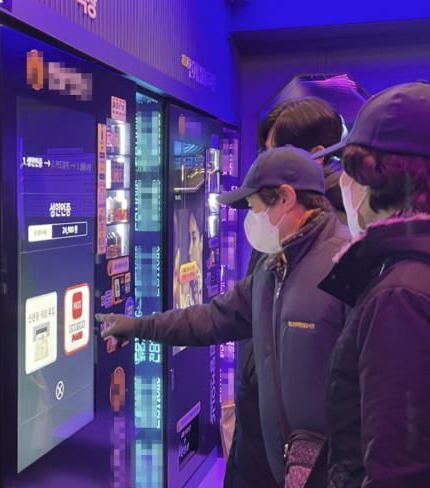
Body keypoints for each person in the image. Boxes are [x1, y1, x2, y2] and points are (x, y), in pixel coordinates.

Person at [98, 146, 350, 488]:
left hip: (330, 470)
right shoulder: (273, 269)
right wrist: (138, 326)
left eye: (255, 208)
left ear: (286, 198)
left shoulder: (342, 264)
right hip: (282, 464)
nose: (252, 220)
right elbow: (213, 318)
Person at [226, 96, 349, 488]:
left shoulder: (341, 236)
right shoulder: (279, 222)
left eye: (277, 151)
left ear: (318, 153)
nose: (267, 163)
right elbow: (247, 305)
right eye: (265, 152)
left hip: (296, 442)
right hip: (259, 418)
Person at [313, 81, 430, 487]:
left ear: (381, 177)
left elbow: (397, 467)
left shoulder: (401, 295)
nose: (343, 185)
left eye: (350, 171)